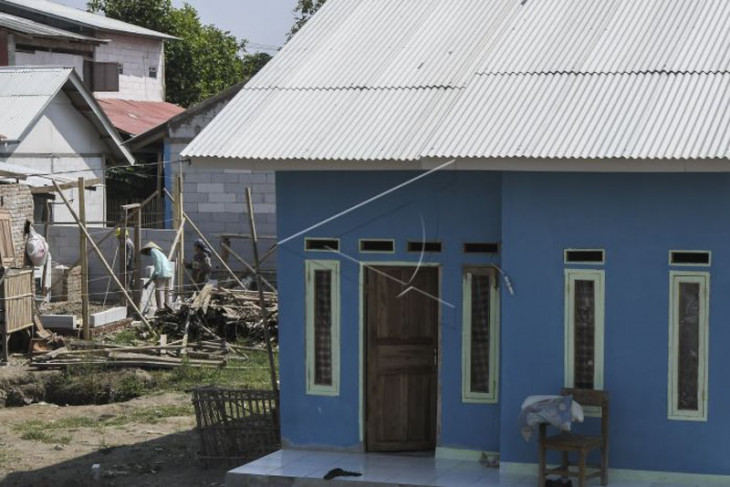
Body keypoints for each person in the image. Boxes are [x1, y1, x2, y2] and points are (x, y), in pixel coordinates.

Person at [141, 242, 173, 309]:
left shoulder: (153, 251)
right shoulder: (161, 253)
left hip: (162, 274)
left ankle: (160, 309)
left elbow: (158, 267)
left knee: (159, 292)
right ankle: (168, 308)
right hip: (169, 274)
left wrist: (150, 281)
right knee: (167, 292)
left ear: (148, 250)